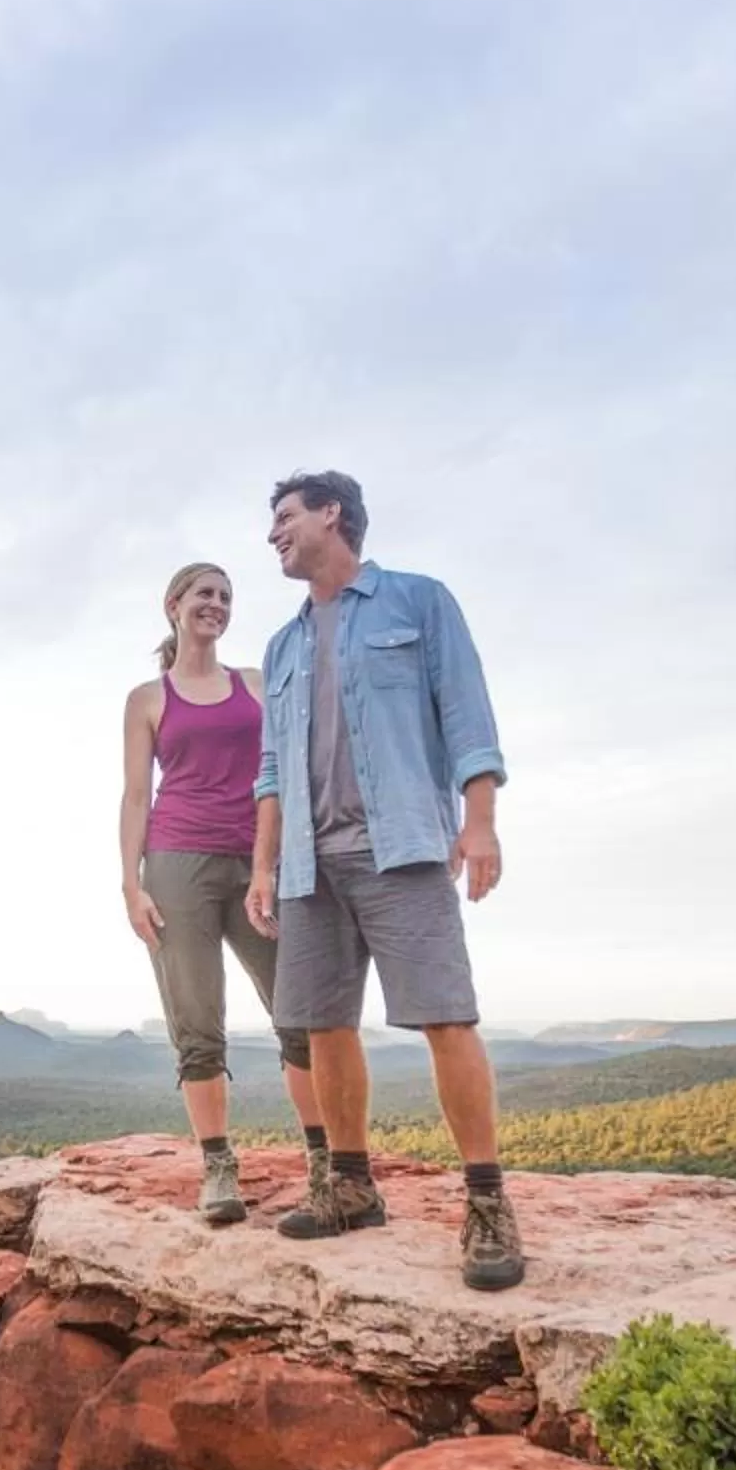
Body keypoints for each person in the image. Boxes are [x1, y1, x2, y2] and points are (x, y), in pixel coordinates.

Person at [244, 472, 523, 1290]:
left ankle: (487, 1205)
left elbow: (468, 719)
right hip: (307, 863)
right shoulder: (283, 645)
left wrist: (479, 824)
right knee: (324, 1024)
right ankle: (351, 1187)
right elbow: (269, 772)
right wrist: (263, 866)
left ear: (333, 514)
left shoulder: (419, 602)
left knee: (445, 1016)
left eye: (285, 519)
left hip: (400, 846)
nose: (273, 536)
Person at [120, 561, 330, 1226]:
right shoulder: (147, 699)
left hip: (259, 859)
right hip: (176, 862)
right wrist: (130, 883)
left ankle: (326, 1163)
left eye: (226, 597)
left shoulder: (257, 685)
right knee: (196, 1020)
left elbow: (297, 762)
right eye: (205, 594)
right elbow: (134, 796)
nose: (217, 604)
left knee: (299, 1011)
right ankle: (217, 1167)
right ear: (173, 604)